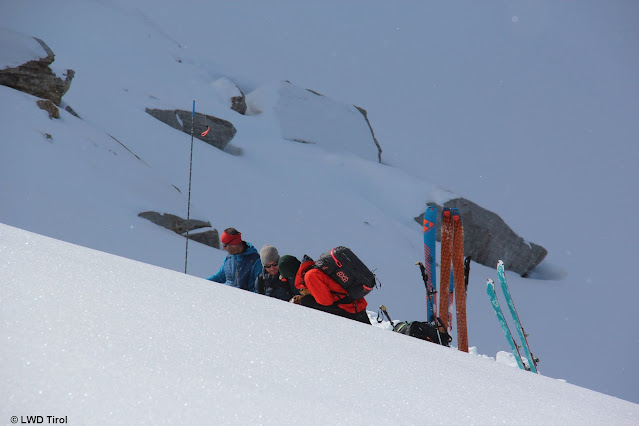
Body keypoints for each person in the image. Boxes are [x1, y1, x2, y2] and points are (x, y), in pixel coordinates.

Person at [279, 255, 371, 325]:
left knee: (307, 301)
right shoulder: (313, 269)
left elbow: (326, 302)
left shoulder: (310, 276)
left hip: (350, 309)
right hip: (354, 305)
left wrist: (304, 300)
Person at [206, 228, 261, 292]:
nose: (223, 248)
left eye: (225, 245)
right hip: (226, 297)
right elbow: (220, 277)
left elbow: (258, 288)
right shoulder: (229, 258)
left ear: (234, 243)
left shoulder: (255, 261)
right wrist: (203, 282)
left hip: (244, 300)